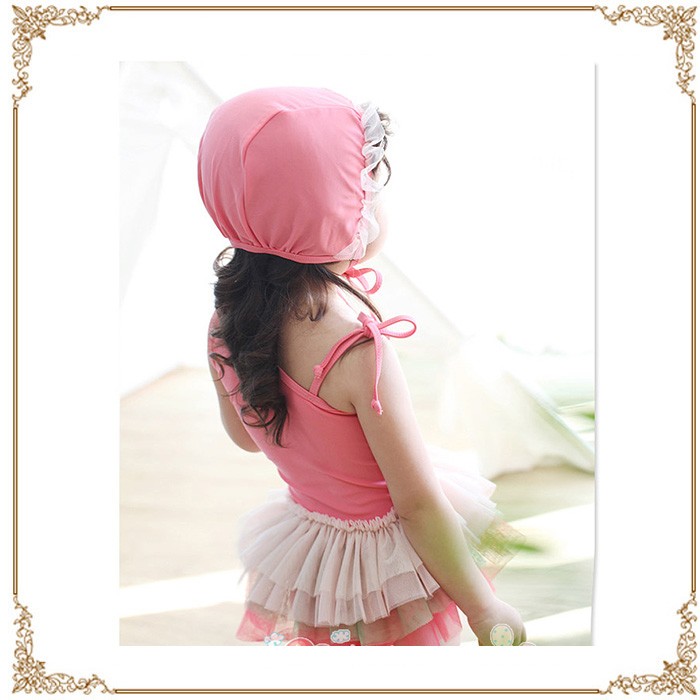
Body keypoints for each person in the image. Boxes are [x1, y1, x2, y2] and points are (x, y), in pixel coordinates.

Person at [198, 86, 528, 646]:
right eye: (369, 192)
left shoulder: (224, 321)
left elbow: (247, 438)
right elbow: (416, 504)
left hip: (315, 555)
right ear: (339, 212)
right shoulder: (356, 347)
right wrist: (484, 606)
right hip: (387, 566)